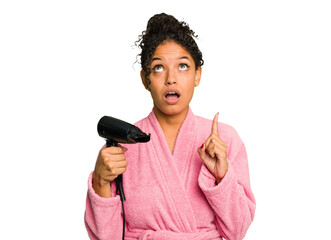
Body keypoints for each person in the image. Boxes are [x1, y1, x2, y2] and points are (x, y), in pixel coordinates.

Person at [85, 13, 255, 240]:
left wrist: (222, 176)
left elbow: (237, 231)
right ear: (145, 79)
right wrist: (100, 181)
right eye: (158, 68)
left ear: (198, 75)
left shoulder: (224, 139)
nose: (171, 79)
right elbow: (108, 237)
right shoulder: (123, 142)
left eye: (183, 66)